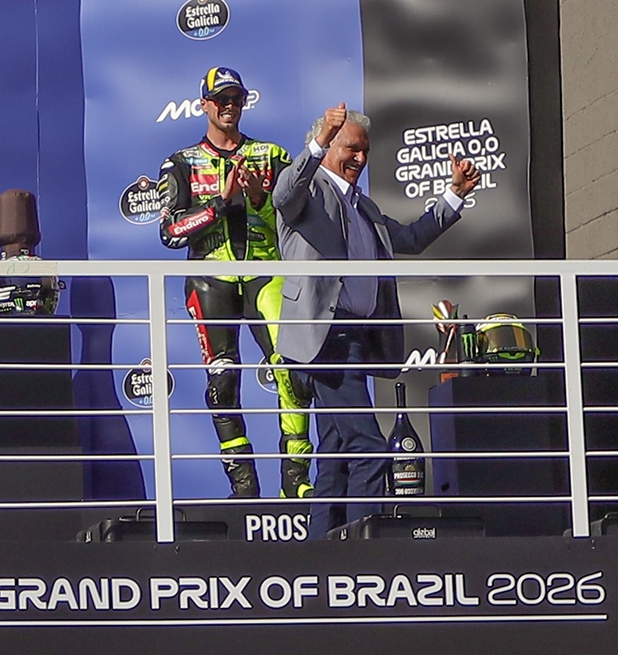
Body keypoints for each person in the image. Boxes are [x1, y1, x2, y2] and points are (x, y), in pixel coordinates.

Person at [273, 103, 480, 536]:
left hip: (356, 340)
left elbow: (410, 238)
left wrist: (455, 194)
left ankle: (320, 556)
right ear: (329, 146)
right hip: (325, 339)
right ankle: (363, 553)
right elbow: (283, 195)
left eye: (365, 151)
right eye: (351, 148)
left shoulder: (363, 206)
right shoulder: (307, 193)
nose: (360, 158)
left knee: (335, 456)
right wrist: (318, 141)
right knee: (368, 449)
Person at [158, 66, 314, 499]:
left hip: (267, 274)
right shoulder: (181, 162)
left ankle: (296, 480)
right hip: (211, 277)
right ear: (204, 104)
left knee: (293, 373)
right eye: (221, 99)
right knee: (223, 382)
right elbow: (169, 232)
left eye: (236, 99)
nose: (229, 106)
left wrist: (259, 199)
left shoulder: (272, 155)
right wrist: (220, 202)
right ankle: (243, 487)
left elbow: (299, 220)